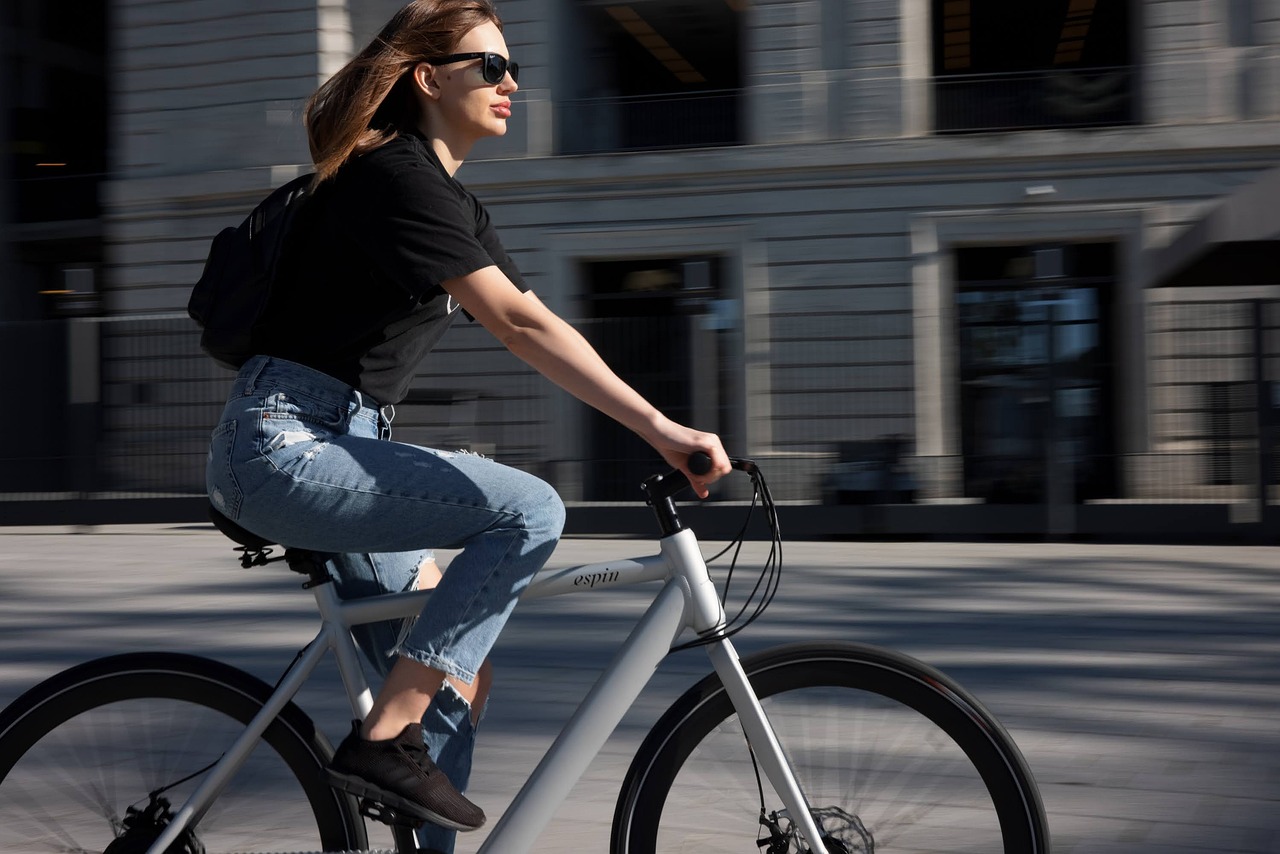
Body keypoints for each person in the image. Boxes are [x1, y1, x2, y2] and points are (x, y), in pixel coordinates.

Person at [203, 1, 730, 852]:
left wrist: (656, 423)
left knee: (455, 679)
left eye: (511, 66)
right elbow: (517, 331)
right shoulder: (391, 176)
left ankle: (401, 749)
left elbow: (538, 317)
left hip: (339, 444)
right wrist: (663, 428)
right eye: (489, 66)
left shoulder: (444, 199)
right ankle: (383, 741)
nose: (510, 82)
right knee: (528, 510)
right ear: (427, 78)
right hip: (286, 444)